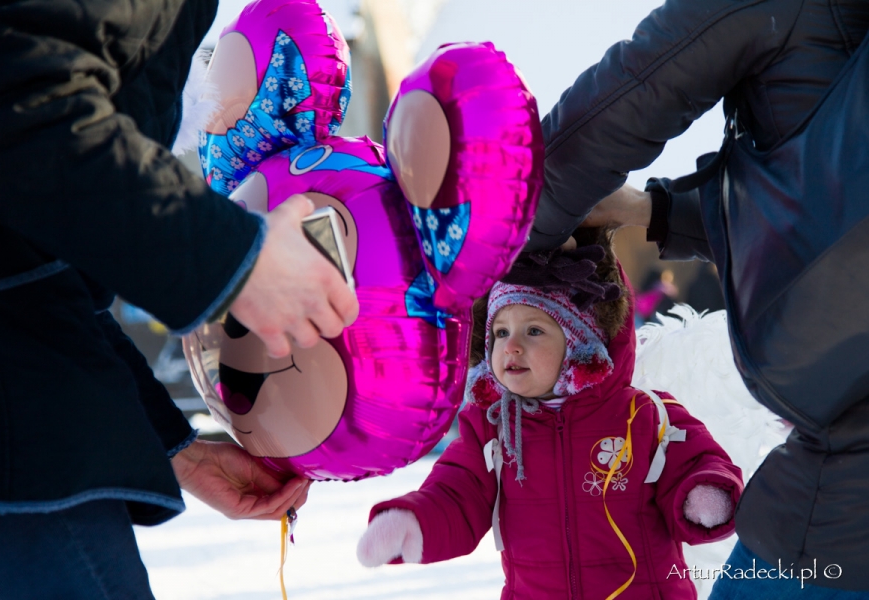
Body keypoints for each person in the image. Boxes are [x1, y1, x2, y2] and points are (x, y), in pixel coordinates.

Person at [0, 1, 358, 598]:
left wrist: (168, 443)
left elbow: (28, 258)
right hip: (7, 444)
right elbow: (16, 99)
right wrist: (235, 259)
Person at [525, 0, 869, 595]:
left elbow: (602, 123)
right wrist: (655, 210)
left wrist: (482, 256)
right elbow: (832, 212)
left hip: (844, 491)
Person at [355, 231, 743, 599]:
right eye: (501, 333)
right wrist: (415, 522)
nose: (512, 347)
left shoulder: (641, 414)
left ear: (580, 342)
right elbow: (458, 493)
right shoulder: (492, 428)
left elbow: (693, 459)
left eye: (534, 331)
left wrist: (701, 494)